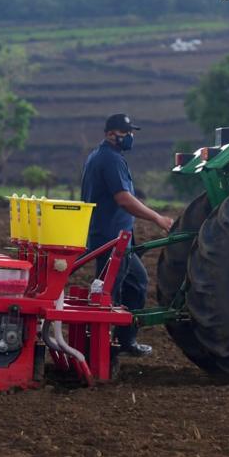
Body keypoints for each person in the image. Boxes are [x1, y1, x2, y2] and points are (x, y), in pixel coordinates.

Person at [81, 113, 175, 357]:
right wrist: (157, 218)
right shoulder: (110, 159)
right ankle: (106, 349)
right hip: (111, 239)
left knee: (136, 283)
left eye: (131, 133)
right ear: (111, 134)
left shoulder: (101, 156)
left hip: (116, 237)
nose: (130, 137)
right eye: (126, 133)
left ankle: (124, 341)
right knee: (110, 293)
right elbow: (123, 199)